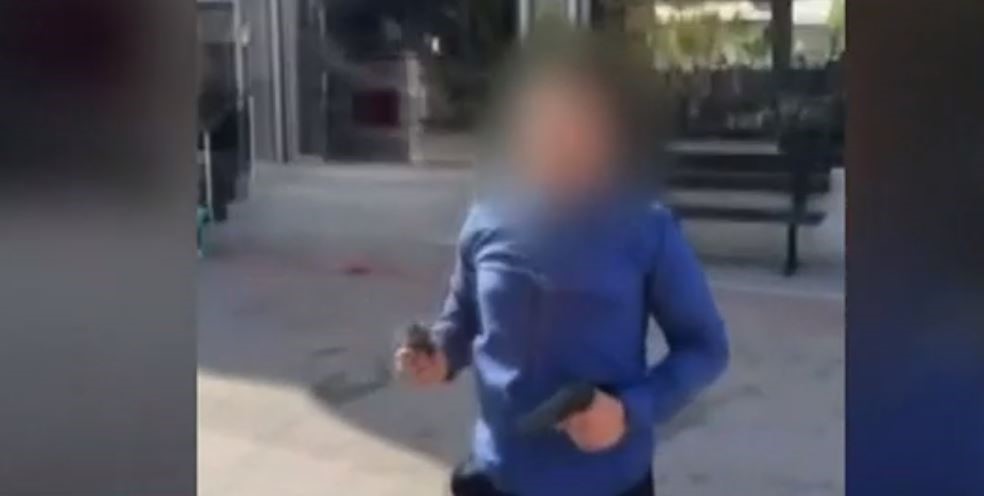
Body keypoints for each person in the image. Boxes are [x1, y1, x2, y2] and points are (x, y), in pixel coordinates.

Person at [395, 36, 729, 496]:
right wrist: (437, 357)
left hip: (608, 482)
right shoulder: (487, 217)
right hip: (497, 475)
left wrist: (629, 411)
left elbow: (705, 347)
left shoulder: (646, 227)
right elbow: (462, 322)